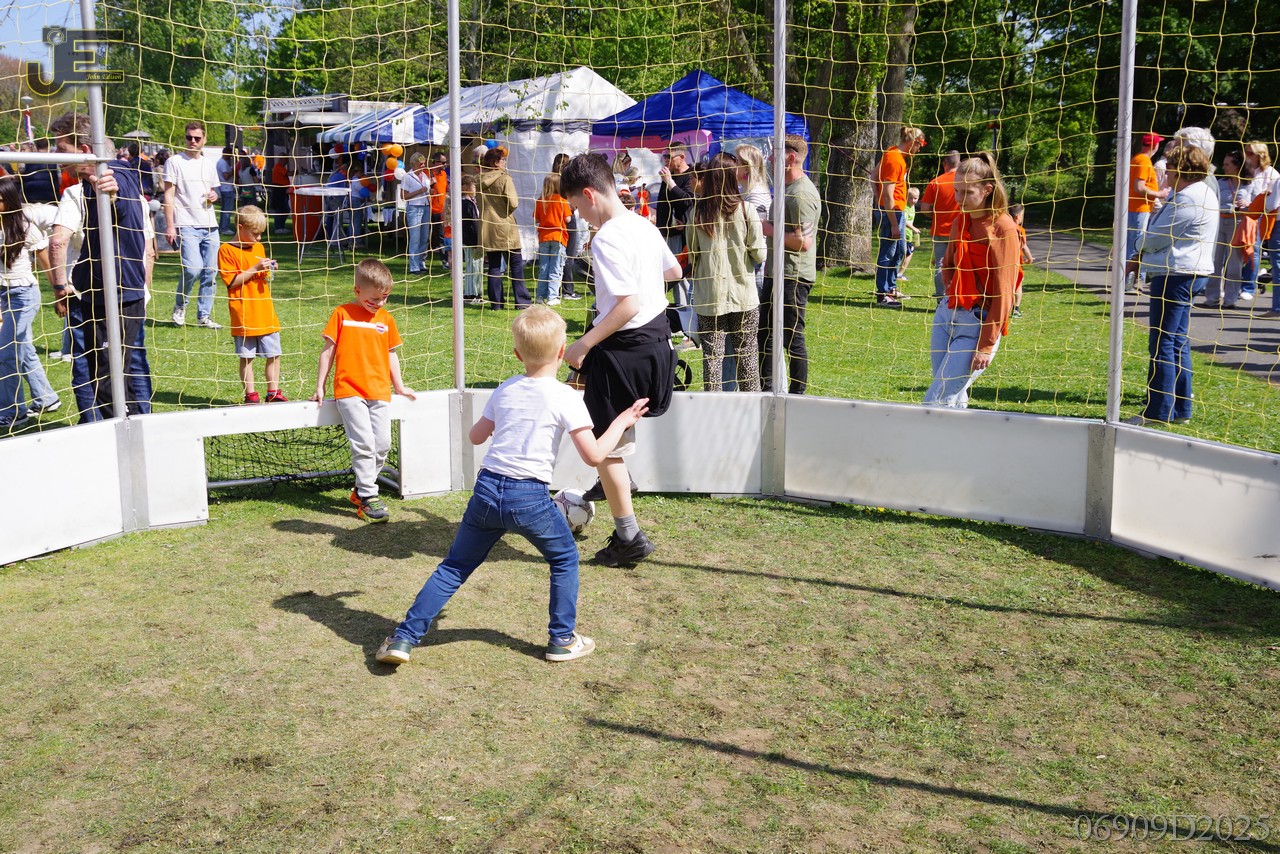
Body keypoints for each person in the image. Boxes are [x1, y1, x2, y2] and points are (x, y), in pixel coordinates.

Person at [374, 307, 651, 667]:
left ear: (518, 354)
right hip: (529, 498)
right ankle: (562, 640)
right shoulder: (567, 396)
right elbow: (595, 456)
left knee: (455, 566)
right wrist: (622, 421)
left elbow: (476, 437)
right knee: (565, 558)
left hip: (487, 491)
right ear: (562, 351)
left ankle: (403, 638)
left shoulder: (505, 388)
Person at [560, 153, 682, 567]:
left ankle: (629, 537)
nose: (580, 216)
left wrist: (583, 344)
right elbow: (674, 272)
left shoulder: (607, 237)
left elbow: (627, 305)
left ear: (590, 194)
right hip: (659, 345)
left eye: (577, 207)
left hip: (624, 349)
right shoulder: (643, 224)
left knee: (605, 445)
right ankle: (615, 483)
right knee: (612, 435)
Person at [47, 111, 152, 422]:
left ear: (83, 151)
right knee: (109, 376)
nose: (56, 156)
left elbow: (119, 195)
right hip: (100, 293)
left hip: (117, 297)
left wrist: (112, 193)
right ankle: (132, 434)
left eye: (61, 149)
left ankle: (125, 439)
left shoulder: (116, 174)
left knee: (110, 382)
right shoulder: (87, 184)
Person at [312, 259, 416, 522]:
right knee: (364, 444)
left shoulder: (386, 319)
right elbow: (328, 352)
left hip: (379, 391)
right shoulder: (342, 314)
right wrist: (320, 386)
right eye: (374, 298)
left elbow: (391, 354)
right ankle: (369, 498)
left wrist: (399, 385)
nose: (380, 303)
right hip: (349, 390)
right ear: (357, 290)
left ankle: (360, 489)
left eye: (385, 297)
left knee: (382, 445)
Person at [1124, 145, 1217, 426]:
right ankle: (1180, 409)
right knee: (1177, 340)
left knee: (1163, 341)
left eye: (1170, 169)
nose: (1166, 175)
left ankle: (1158, 411)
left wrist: (1137, 247)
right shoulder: (1197, 193)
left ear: (1181, 170)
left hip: (1177, 275)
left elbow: (1157, 236)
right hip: (1186, 272)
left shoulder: (1189, 198)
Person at [922, 152, 1020, 409]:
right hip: (946, 317)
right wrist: (951, 292)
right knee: (953, 398)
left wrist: (986, 345)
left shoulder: (1003, 228)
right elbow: (948, 263)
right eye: (957, 190)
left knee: (935, 402)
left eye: (967, 192)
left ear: (987, 190)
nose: (959, 198)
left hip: (977, 325)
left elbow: (1004, 293)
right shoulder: (961, 219)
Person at [686, 151, 765, 392]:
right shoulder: (746, 210)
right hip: (743, 296)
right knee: (747, 359)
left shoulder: (697, 214)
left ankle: (713, 409)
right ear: (732, 177)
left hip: (709, 297)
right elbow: (760, 254)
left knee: (712, 360)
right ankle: (752, 409)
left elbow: (693, 254)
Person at [759, 134, 821, 395]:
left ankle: (797, 395)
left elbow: (803, 242)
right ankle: (767, 391)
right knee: (766, 335)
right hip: (776, 273)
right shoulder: (787, 188)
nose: (770, 158)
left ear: (791, 157)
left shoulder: (801, 194)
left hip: (793, 277)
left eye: (775, 154)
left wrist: (767, 229)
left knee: (792, 338)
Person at [0, 175, 59, 431]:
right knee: (23, 350)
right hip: (3, 295)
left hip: (24, 294)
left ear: (9, 200)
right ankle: (47, 399)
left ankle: (13, 412)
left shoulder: (25, 225)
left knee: (6, 353)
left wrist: (58, 291)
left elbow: (46, 261)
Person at [218, 205, 286, 405]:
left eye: (261, 234)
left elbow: (262, 275)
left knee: (274, 354)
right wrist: (255, 267)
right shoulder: (226, 250)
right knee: (247, 357)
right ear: (240, 227)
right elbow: (232, 282)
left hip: (264, 311)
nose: (258, 238)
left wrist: (269, 268)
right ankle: (251, 395)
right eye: (255, 233)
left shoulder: (258, 247)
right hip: (244, 314)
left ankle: (273, 392)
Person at [165, 121, 223, 329]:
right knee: (192, 269)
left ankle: (203, 316)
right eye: (189, 137)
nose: (193, 141)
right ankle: (180, 305)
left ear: (204, 140)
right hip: (186, 223)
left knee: (210, 272)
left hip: (209, 225)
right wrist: (170, 226)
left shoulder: (208, 164)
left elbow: (214, 191)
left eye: (197, 138)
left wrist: (214, 195)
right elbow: (168, 195)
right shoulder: (174, 161)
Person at [875, 126, 927, 306]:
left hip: (898, 210)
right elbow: (888, 195)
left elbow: (874, 176)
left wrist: (878, 197)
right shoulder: (894, 159)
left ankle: (891, 288)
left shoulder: (894, 154)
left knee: (899, 251)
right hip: (893, 212)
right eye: (920, 145)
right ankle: (882, 294)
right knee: (887, 253)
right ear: (913, 142)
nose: (919, 149)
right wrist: (893, 223)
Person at [478, 147, 531, 308]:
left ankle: (496, 303)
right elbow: (513, 202)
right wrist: (505, 210)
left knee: (494, 266)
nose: (504, 162)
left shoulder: (479, 180)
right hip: (505, 226)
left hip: (488, 227)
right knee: (516, 265)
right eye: (502, 159)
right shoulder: (505, 178)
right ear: (495, 162)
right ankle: (522, 302)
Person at [655, 145, 696, 334]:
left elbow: (688, 201)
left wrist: (670, 182)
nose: (665, 160)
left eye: (669, 156)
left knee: (682, 275)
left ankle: (687, 321)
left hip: (682, 235)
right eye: (664, 156)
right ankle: (679, 318)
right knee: (670, 276)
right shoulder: (667, 175)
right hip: (666, 233)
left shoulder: (690, 176)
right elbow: (663, 203)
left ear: (682, 157)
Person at [1201, 151, 1245, 310]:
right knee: (1215, 260)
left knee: (1234, 263)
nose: (1224, 167)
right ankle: (1212, 297)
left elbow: (1258, 203)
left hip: (1238, 223)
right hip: (1219, 222)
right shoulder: (1220, 183)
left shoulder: (1249, 184)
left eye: (1227, 164)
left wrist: (1248, 203)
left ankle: (1230, 299)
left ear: (1237, 166)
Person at [1127, 132, 1173, 286]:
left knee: (1134, 244)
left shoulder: (1139, 159)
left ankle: (1131, 280)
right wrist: (1159, 194)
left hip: (1138, 208)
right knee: (1136, 245)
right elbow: (1139, 187)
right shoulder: (1143, 161)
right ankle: (1128, 282)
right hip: (1139, 209)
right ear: (1155, 145)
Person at [920, 150, 962, 299]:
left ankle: (940, 297)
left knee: (941, 264)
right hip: (961, 230)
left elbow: (924, 208)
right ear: (960, 164)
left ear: (944, 164)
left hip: (940, 230)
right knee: (960, 264)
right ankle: (957, 296)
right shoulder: (965, 182)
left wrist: (936, 214)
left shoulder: (935, 182)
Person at [534, 173, 573, 306]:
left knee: (544, 268)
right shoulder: (562, 201)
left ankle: (540, 296)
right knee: (556, 268)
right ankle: (552, 296)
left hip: (544, 237)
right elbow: (568, 219)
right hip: (558, 237)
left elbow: (536, 219)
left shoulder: (541, 200)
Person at [399, 153, 432, 274]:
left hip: (426, 207)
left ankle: (421, 262)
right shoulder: (407, 176)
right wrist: (420, 191)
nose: (423, 165)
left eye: (424, 163)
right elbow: (403, 196)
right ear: (414, 164)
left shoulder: (425, 176)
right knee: (415, 238)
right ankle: (414, 266)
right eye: (421, 163)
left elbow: (427, 191)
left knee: (424, 237)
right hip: (414, 207)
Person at [459, 173, 484, 302]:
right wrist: (477, 239)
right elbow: (472, 224)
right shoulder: (466, 204)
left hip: (473, 239)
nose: (475, 189)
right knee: (473, 265)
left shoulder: (471, 202)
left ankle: (477, 291)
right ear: (466, 187)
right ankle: (470, 293)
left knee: (477, 265)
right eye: (473, 186)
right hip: (471, 240)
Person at [1009, 203, 1033, 318]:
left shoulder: (1001, 227)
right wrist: (1030, 258)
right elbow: (1024, 247)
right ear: (1017, 217)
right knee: (1018, 286)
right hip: (1016, 263)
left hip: (1003, 263)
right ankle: (1016, 309)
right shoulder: (1019, 230)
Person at [898, 186, 922, 281]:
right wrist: (914, 228)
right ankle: (899, 274)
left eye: (915, 198)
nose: (913, 200)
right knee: (907, 253)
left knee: (908, 252)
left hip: (909, 235)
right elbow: (903, 220)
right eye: (910, 198)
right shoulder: (905, 207)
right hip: (903, 234)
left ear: (918, 198)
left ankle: (898, 273)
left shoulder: (913, 207)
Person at [428, 152, 448, 264]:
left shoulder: (444, 174)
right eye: (443, 162)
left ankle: (445, 261)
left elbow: (445, 189)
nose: (445, 165)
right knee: (426, 237)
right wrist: (430, 185)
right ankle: (420, 262)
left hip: (441, 211)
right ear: (435, 162)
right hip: (429, 210)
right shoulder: (428, 174)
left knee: (441, 237)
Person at [268, 153, 290, 234]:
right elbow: (288, 173)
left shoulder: (281, 167)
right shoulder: (278, 167)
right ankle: (278, 227)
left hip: (282, 189)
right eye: (285, 159)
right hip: (279, 189)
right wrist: (296, 171)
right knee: (280, 209)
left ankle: (281, 226)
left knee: (285, 209)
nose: (287, 161)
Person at [216, 145, 236, 234]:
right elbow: (226, 176)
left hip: (223, 188)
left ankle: (222, 227)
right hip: (227, 188)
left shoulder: (220, 162)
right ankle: (224, 228)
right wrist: (233, 171)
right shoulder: (223, 163)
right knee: (227, 210)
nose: (231, 156)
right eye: (230, 154)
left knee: (224, 209)